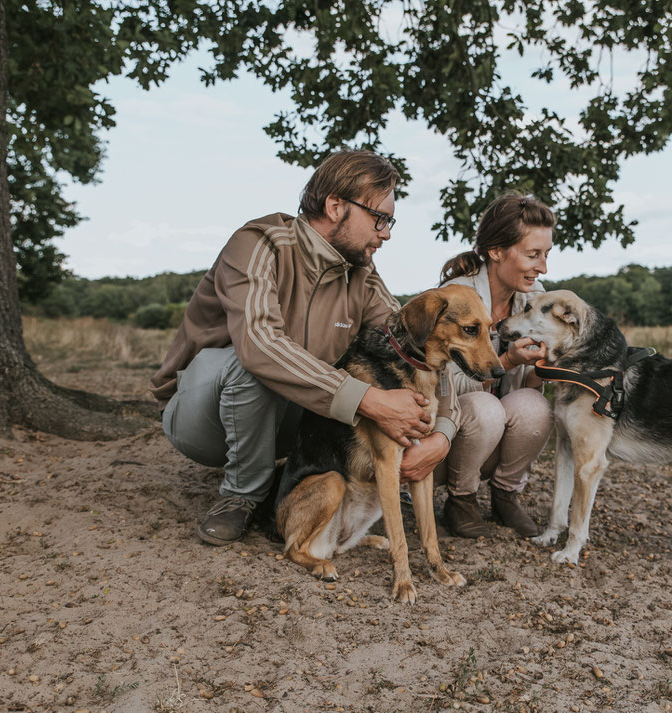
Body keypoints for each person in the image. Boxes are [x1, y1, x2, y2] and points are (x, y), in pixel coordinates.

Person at [149, 150, 455, 546]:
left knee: (385, 373)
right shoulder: (259, 244)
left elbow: (419, 348)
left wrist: (442, 434)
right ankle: (241, 496)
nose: (387, 233)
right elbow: (260, 344)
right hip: (201, 416)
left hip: (292, 418)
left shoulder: (362, 274)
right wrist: (371, 401)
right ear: (335, 206)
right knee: (254, 364)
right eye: (380, 218)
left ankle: (285, 482)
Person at [434, 192, 555, 538]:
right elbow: (441, 385)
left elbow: (527, 387)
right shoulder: (456, 297)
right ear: (497, 251)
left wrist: (540, 367)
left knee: (535, 406)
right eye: (533, 255)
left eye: (546, 255)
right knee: (486, 408)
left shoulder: (534, 298)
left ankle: (506, 495)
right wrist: (505, 360)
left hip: (496, 433)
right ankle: (461, 500)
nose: (542, 267)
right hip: (450, 432)